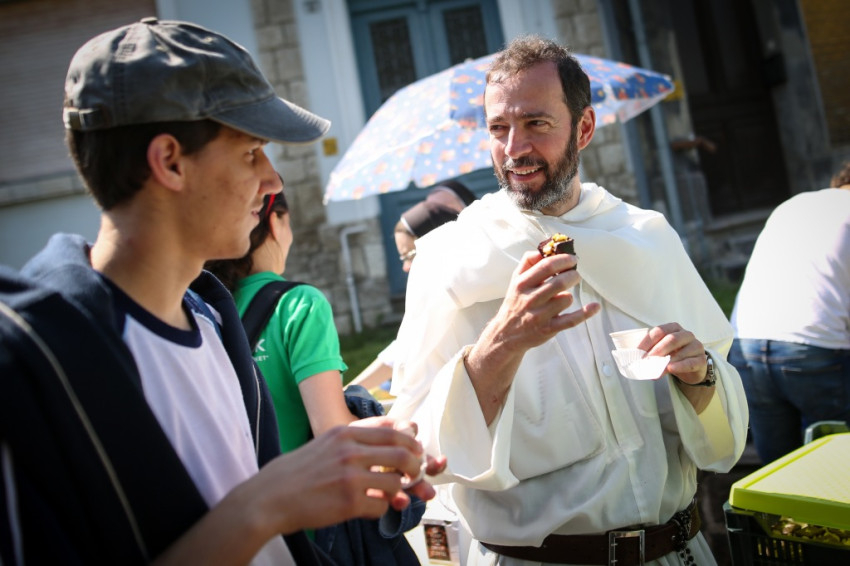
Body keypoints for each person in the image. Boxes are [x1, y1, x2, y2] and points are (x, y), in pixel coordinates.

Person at [0, 18, 445, 565]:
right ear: (170, 161)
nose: (273, 180)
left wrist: (334, 461)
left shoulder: (213, 320)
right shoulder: (31, 364)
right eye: (252, 152)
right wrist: (269, 501)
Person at [388, 36, 748, 566]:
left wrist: (700, 378)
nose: (514, 148)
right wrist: (502, 341)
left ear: (583, 128)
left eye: (536, 123)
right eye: (498, 128)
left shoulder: (645, 237)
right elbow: (419, 449)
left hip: (677, 552)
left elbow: (722, 435)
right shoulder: (449, 260)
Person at [206, 186, 424, 565]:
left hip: (237, 529)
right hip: (310, 526)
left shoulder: (203, 309)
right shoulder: (299, 304)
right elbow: (333, 430)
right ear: (276, 222)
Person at [729, 162, 850, 464]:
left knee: (780, 469)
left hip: (746, 344)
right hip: (813, 347)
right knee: (838, 465)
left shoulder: (794, 205)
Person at [348, 180, 476, 393]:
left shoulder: (453, 294)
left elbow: (403, 352)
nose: (406, 267)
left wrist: (348, 391)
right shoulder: (452, 288)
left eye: (409, 256)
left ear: (434, 244)